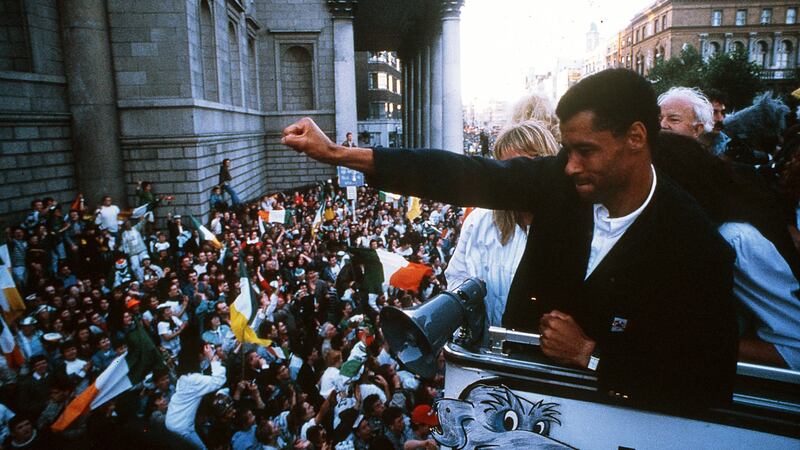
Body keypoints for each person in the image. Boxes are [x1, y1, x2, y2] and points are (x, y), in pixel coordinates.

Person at [281, 68, 738, 410]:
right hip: (518, 407)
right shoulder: (560, 183)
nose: (572, 166)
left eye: (586, 151)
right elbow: (460, 173)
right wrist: (338, 153)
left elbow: (709, 378)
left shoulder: (694, 243)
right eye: (567, 150)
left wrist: (590, 354)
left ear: (636, 138)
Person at [445, 120, 559, 340]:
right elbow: (456, 278)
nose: (516, 178)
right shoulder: (480, 221)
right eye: (507, 170)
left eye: (524, 168)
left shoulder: (578, 224)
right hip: (488, 357)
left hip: (546, 363)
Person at [166, 343, 227, 449]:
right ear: (197, 357)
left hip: (173, 421)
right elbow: (218, 380)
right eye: (202, 355)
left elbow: (204, 368)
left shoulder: (185, 376)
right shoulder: (193, 380)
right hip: (181, 427)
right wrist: (212, 358)